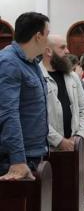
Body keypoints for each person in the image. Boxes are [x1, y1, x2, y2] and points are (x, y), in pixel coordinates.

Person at [0, 12, 49, 179]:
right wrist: (18, 159)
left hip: (34, 153)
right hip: (16, 159)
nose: (48, 40)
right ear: (38, 36)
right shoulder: (9, 62)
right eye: (47, 34)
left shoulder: (31, 62)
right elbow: (8, 112)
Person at [39, 35, 84, 150]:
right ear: (48, 51)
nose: (68, 51)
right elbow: (37, 117)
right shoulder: (37, 75)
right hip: (48, 147)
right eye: (62, 48)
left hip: (74, 143)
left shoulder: (72, 76)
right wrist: (59, 141)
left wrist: (79, 135)